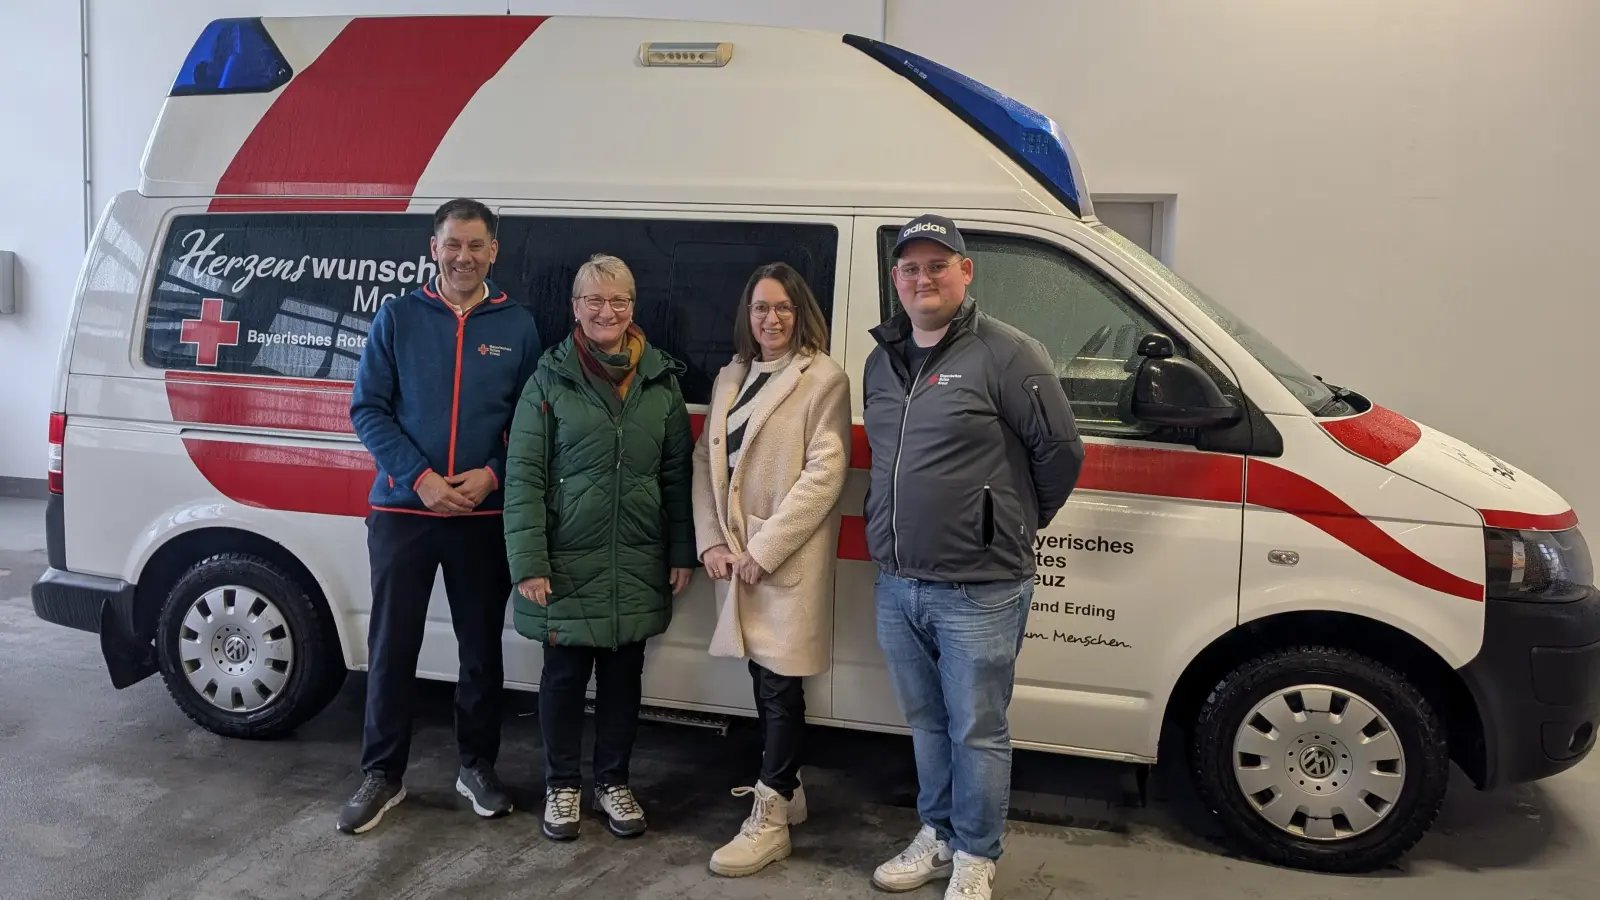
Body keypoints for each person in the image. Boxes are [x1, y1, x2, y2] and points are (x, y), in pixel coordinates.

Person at [862, 215, 1084, 899]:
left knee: (978, 730)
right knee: (927, 723)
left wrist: (1010, 526)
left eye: (938, 265)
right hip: (899, 583)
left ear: (966, 271)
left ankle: (976, 855)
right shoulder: (881, 359)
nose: (923, 278)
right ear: (895, 279)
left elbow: (1060, 452)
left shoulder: (1008, 353)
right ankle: (937, 834)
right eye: (910, 268)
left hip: (980, 588)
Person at [339, 199, 542, 835]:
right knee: (391, 646)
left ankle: (476, 766)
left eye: (476, 245)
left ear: (494, 251)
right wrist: (421, 479)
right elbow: (367, 409)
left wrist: (492, 474)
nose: (463, 256)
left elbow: (532, 421)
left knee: (481, 650)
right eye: (452, 244)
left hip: (483, 516)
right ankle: (382, 774)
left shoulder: (518, 324)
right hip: (405, 510)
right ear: (434, 248)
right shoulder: (398, 318)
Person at [502, 253, 696, 842]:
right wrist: (529, 562)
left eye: (618, 301)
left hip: (636, 557)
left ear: (633, 307)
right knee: (562, 677)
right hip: (564, 558)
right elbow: (524, 476)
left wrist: (680, 551)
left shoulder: (661, 382)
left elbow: (676, 478)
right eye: (594, 300)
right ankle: (562, 786)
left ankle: (613, 782)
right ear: (575, 308)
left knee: (622, 679)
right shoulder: (548, 379)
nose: (606, 311)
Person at [691, 263, 852, 877]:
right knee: (764, 680)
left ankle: (772, 814)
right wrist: (711, 543)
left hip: (779, 560)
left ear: (801, 311)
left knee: (783, 687)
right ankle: (789, 790)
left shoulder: (822, 378)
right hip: (734, 558)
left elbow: (824, 475)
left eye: (783, 307)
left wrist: (764, 551)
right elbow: (708, 469)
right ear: (747, 314)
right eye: (761, 307)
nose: (772, 318)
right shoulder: (732, 374)